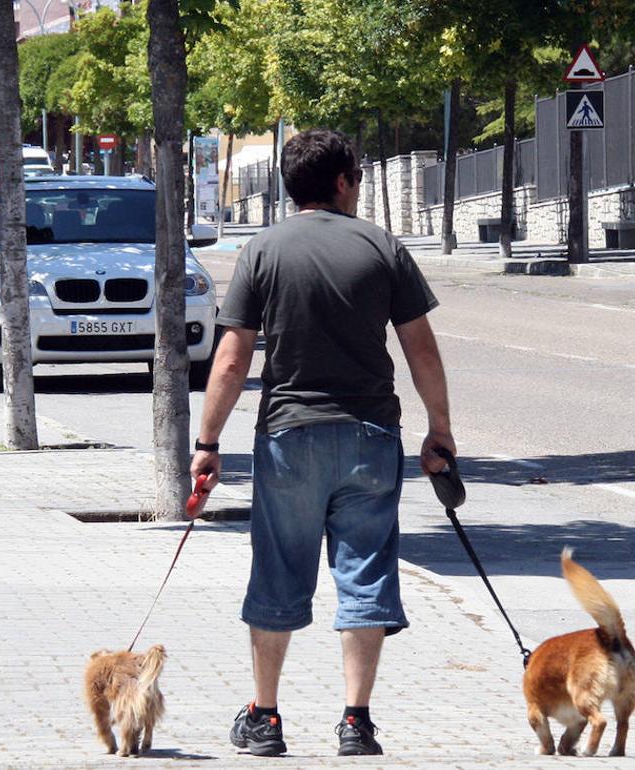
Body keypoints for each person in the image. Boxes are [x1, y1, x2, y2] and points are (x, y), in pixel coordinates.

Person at [189, 128, 456, 758]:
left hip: (288, 438)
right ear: (341, 181)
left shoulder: (262, 250)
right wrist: (439, 431)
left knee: (280, 570)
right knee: (365, 573)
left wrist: (208, 442)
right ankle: (356, 722)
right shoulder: (382, 248)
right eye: (357, 178)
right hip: (369, 438)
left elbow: (230, 361)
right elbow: (421, 349)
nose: (358, 188)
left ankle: (266, 718)